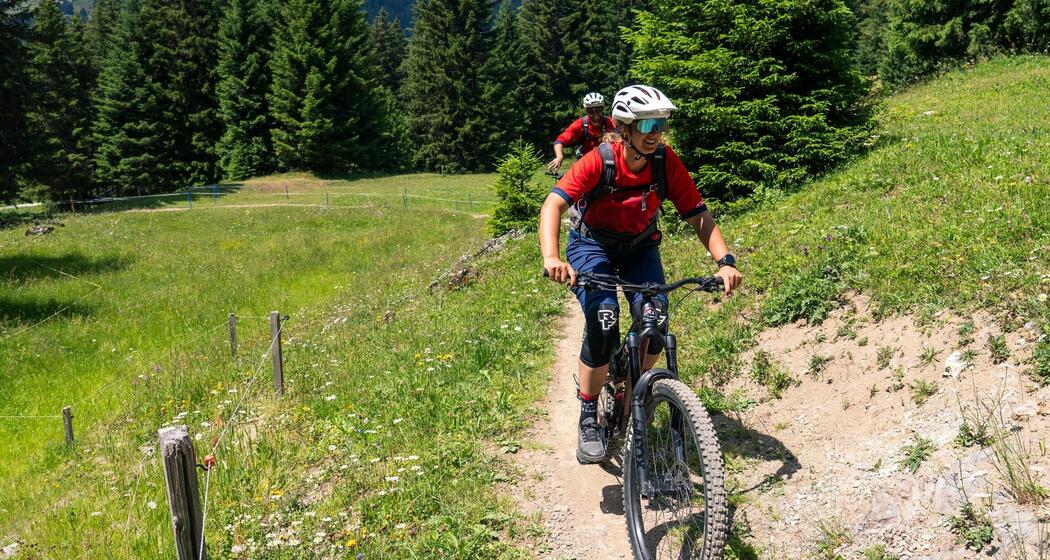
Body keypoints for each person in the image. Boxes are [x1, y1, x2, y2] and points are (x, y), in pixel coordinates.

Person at [538, 84, 743, 464]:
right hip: (591, 245)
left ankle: (635, 399)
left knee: (656, 321)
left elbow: (696, 213)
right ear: (623, 126)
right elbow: (553, 204)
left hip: (640, 247)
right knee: (604, 321)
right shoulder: (600, 160)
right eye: (646, 124)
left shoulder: (665, 161)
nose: (655, 133)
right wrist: (551, 256)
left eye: (660, 124)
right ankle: (588, 417)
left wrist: (724, 260)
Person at [546, 92, 617, 173]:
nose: (595, 114)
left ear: (603, 108)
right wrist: (559, 156)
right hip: (586, 164)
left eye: (598, 110)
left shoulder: (610, 122)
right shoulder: (580, 124)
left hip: (607, 163)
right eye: (591, 111)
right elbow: (559, 141)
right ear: (586, 110)